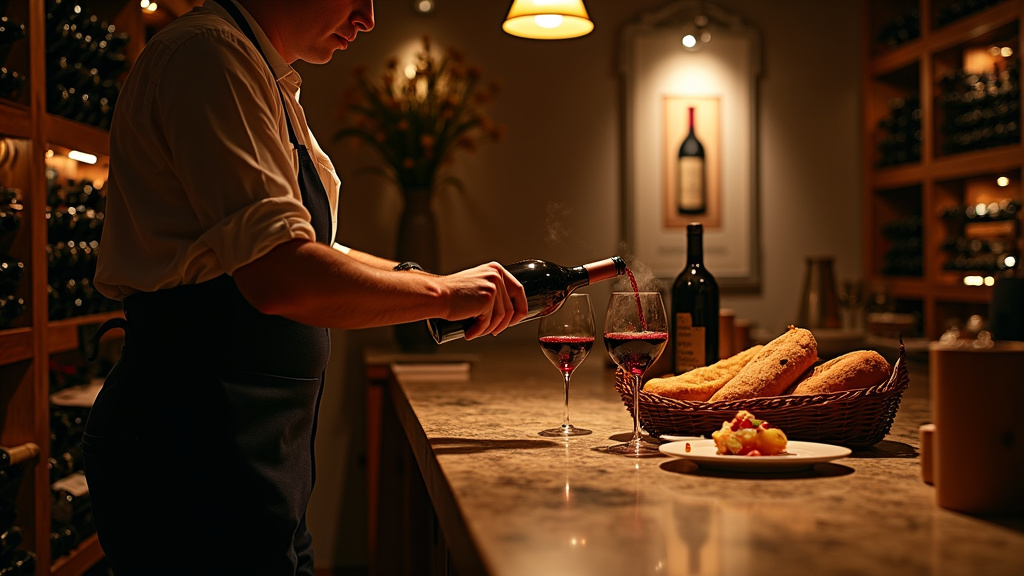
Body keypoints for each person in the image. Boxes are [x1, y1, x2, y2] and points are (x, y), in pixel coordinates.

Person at [82, 1, 528, 574]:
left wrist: (425, 281)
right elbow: (281, 273)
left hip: (255, 447)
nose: (368, 18)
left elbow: (317, 247)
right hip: (192, 445)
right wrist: (440, 296)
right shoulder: (208, 55)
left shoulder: (265, 76)